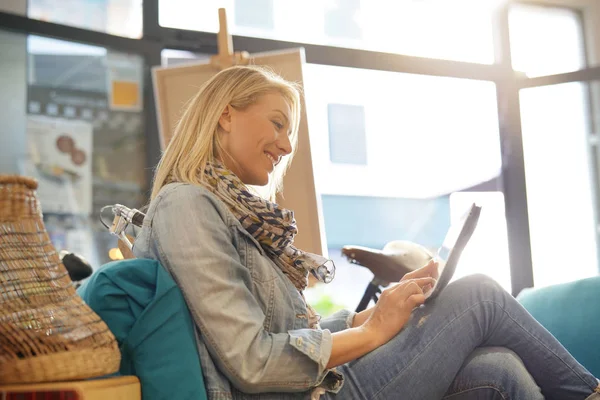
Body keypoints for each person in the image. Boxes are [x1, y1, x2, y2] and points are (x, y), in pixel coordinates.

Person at [133, 65, 600, 400]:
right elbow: (253, 361)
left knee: (497, 368)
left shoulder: (230, 214)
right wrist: (376, 332)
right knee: (478, 295)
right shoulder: (187, 205)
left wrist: (364, 319)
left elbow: (291, 334)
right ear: (225, 114)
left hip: (312, 387)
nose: (287, 144)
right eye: (277, 123)